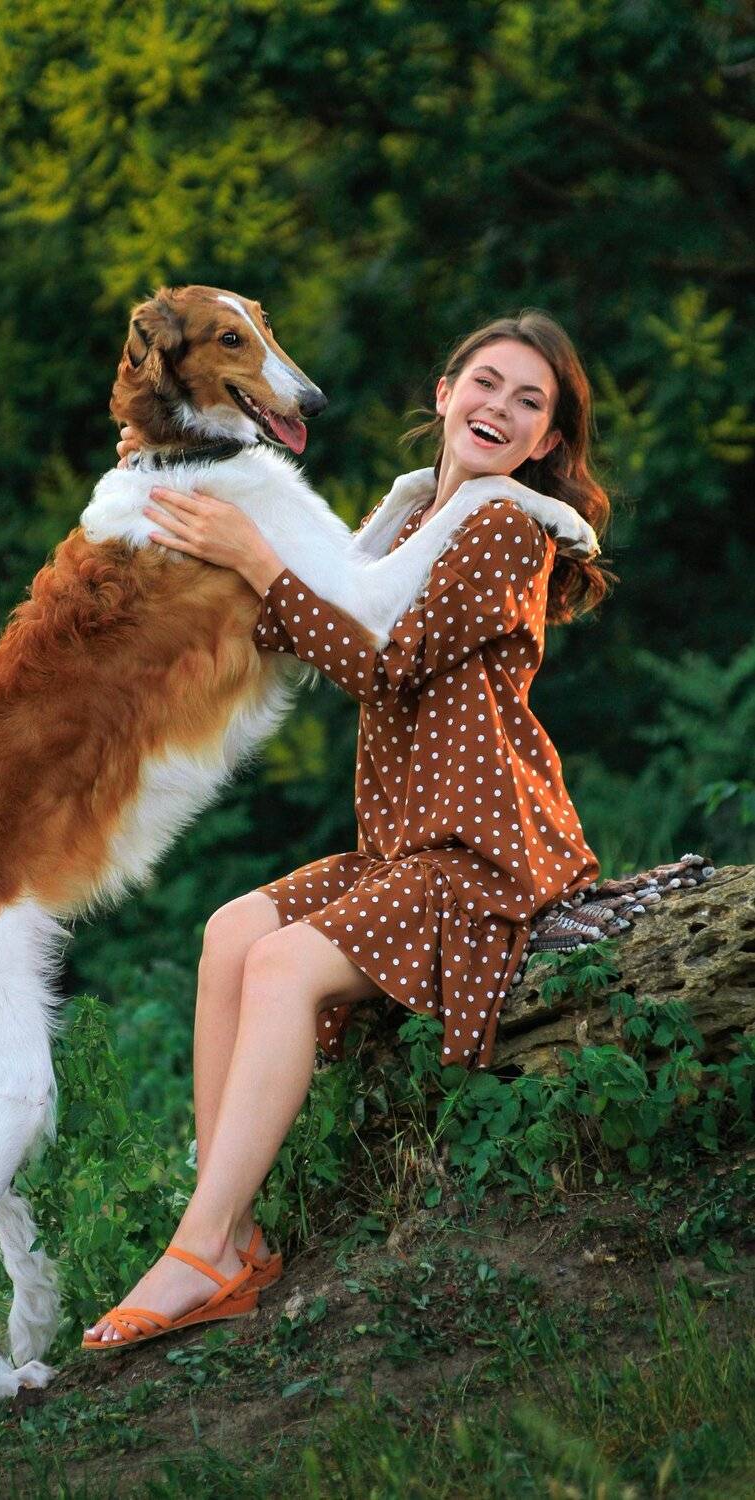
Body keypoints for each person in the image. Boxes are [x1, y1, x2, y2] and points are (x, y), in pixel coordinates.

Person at [84, 310, 612, 1347]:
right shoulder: (420, 515)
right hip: (401, 847)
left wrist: (256, 557)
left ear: (547, 439)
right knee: (231, 933)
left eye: (529, 402)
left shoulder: (504, 529)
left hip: (483, 850)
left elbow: (381, 663)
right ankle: (230, 1233)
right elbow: (305, 617)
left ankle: (200, 1246)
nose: (499, 408)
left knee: (282, 967)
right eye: (485, 383)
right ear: (445, 393)